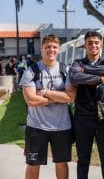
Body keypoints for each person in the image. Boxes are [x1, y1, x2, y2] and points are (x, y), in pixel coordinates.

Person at [19, 34, 76, 179]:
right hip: (36, 126)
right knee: (33, 164)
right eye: (48, 47)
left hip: (62, 126)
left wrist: (45, 93)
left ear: (59, 50)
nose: (51, 49)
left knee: (62, 163)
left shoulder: (66, 70)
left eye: (54, 47)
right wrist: (58, 98)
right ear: (42, 48)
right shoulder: (30, 71)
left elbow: (71, 97)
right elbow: (31, 101)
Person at [69, 31, 104, 179]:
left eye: (96, 42)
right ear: (85, 45)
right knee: (83, 159)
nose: (93, 45)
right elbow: (75, 76)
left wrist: (87, 71)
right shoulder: (77, 63)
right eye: (90, 43)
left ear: (101, 44)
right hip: (83, 117)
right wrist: (101, 79)